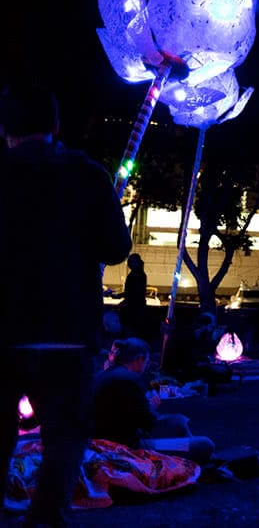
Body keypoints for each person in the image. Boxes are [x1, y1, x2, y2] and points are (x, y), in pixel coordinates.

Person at [0, 85, 132, 526]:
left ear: (5, 129)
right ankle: (45, 517)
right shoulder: (88, 175)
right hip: (68, 331)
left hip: (4, 331)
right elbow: (116, 248)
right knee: (64, 436)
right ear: (55, 126)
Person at [92, 338, 214, 462]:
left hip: (123, 435)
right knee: (204, 444)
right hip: (127, 447)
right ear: (140, 359)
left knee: (178, 421)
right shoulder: (128, 379)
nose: (147, 366)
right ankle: (188, 456)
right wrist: (151, 405)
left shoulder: (104, 375)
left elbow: (158, 388)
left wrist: (181, 391)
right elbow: (148, 422)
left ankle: (186, 453)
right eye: (147, 362)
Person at [118, 253, 149, 338]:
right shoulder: (140, 274)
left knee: (131, 330)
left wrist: (122, 297)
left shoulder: (136, 275)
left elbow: (133, 293)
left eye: (131, 262)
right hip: (137, 307)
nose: (129, 264)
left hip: (134, 308)